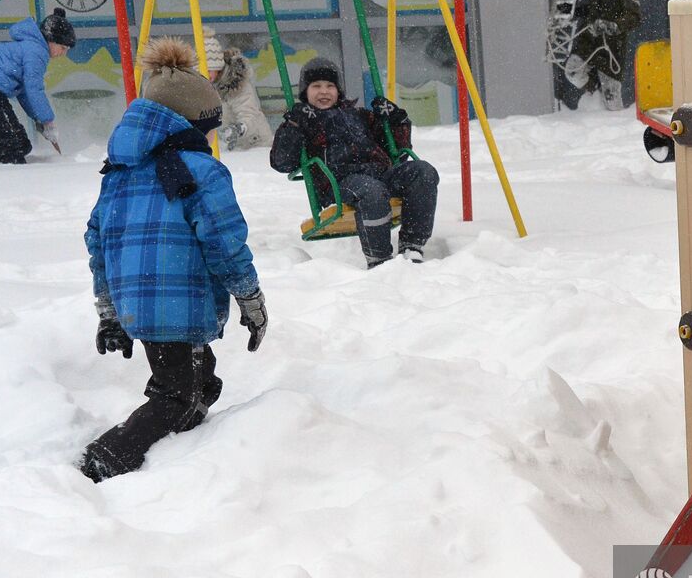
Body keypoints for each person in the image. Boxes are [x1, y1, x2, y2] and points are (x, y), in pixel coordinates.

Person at [79, 37, 267, 482]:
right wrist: (251, 297)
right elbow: (225, 245)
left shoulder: (119, 174)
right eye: (206, 128)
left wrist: (109, 312)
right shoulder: (200, 171)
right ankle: (104, 462)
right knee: (176, 396)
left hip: (139, 307)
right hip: (177, 307)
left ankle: (178, 457)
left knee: (201, 385)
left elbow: (96, 243)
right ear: (188, 124)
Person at [270, 57, 439, 267]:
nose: (324, 91)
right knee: (371, 190)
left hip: (379, 174)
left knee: (423, 171)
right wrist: (294, 125)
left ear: (339, 90)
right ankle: (379, 259)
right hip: (339, 182)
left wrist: (396, 119)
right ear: (305, 92)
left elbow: (397, 149)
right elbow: (282, 162)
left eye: (330, 86)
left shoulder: (358, 115)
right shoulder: (304, 120)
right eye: (316, 86)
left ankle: (412, 246)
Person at [0, 7, 76, 164]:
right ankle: (7, 175)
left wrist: (39, 118)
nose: (63, 53)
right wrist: (47, 119)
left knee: (20, 141)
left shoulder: (32, 48)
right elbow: (34, 88)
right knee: (8, 139)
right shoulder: (37, 52)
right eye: (63, 47)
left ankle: (12, 164)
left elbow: (24, 93)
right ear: (51, 39)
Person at [562, 0, 641, 111]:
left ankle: (615, 124)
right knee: (573, 70)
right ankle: (594, 93)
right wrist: (575, 10)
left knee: (611, 97)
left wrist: (613, 25)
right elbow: (593, 9)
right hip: (589, 41)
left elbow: (634, 16)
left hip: (611, 48)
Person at [202, 28, 272, 150]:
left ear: (218, 67)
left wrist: (238, 128)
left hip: (255, 144)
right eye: (202, 70)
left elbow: (249, 115)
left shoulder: (237, 85)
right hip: (232, 146)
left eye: (209, 70)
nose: (205, 74)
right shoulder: (209, 87)